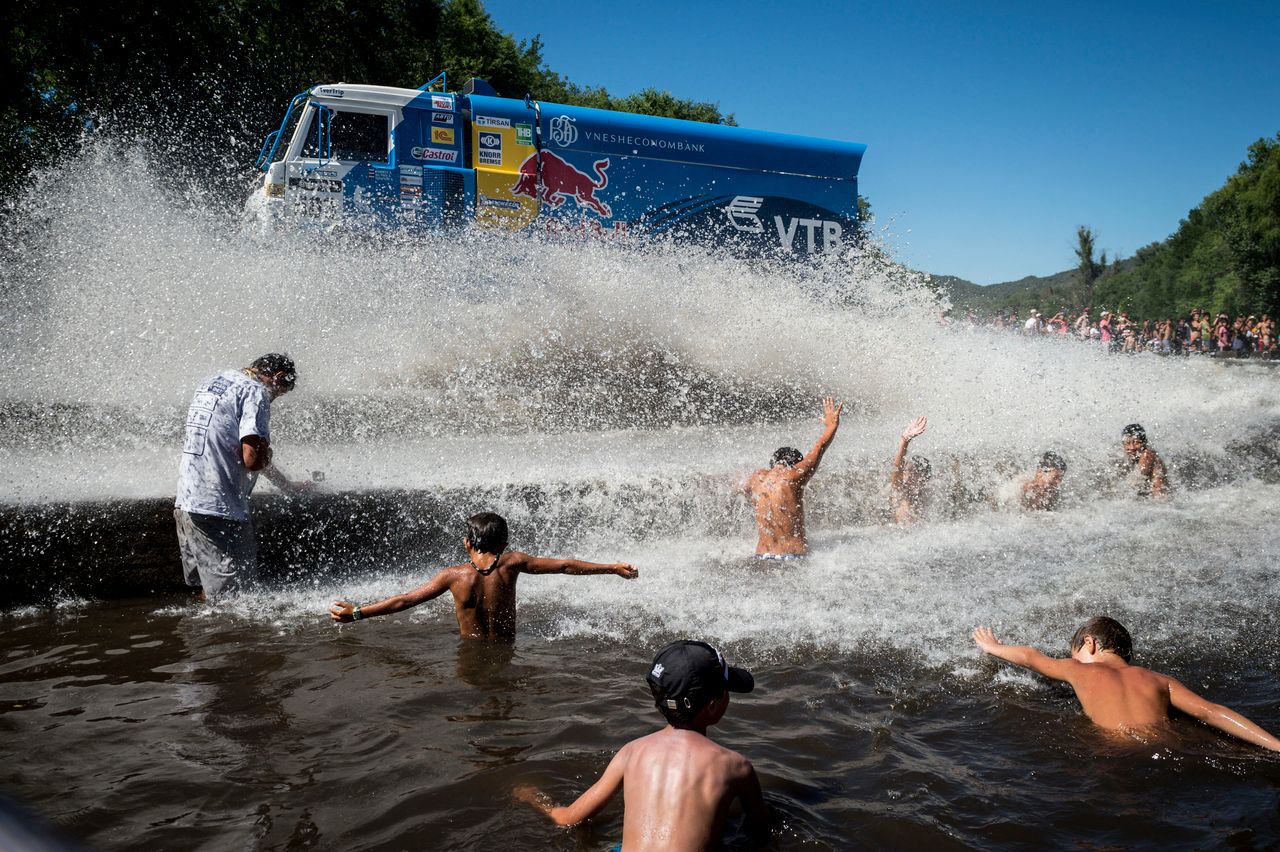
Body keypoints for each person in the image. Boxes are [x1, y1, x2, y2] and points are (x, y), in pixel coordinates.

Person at [514, 640, 767, 850]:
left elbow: (567, 818)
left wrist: (535, 798)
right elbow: (760, 832)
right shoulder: (735, 766)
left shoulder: (632, 752)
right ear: (713, 705)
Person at [972, 618, 1280, 750]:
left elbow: (1030, 656)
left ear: (1089, 643)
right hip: (1166, 744)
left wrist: (994, 647)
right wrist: (1275, 744)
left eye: (1075, 650)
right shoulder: (1159, 679)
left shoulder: (1078, 669)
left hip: (1114, 750)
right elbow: (1212, 711)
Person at [329, 512, 637, 640]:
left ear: (466, 543)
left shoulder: (453, 576)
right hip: (507, 650)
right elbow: (565, 565)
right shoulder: (512, 563)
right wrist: (611, 568)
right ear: (503, 544)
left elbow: (404, 601)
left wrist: (356, 613)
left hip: (470, 652)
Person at [175, 353, 312, 599]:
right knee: (234, 603)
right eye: (280, 393)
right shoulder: (255, 392)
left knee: (208, 594)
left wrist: (286, 485)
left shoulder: (214, 381)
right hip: (219, 509)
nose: (275, 399)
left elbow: (234, 449)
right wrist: (266, 453)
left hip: (187, 502)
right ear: (278, 377)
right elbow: (252, 459)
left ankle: (193, 636)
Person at [741, 396, 842, 558]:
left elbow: (740, 488)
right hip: (792, 557)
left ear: (773, 463)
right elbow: (819, 447)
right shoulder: (794, 475)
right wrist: (832, 426)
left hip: (761, 556)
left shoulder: (757, 478)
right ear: (795, 464)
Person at [889, 416, 930, 523]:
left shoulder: (927, 495)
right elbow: (897, 470)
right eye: (907, 471)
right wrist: (905, 440)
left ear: (925, 477)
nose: (909, 476)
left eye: (915, 473)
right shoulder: (901, 494)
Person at [1120, 423, 1169, 497]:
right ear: (1123, 444)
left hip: (1159, 501)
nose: (1132, 447)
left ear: (1144, 443)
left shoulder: (1147, 455)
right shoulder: (1135, 456)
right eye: (1128, 443)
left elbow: (1137, 479)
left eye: (1137, 443)